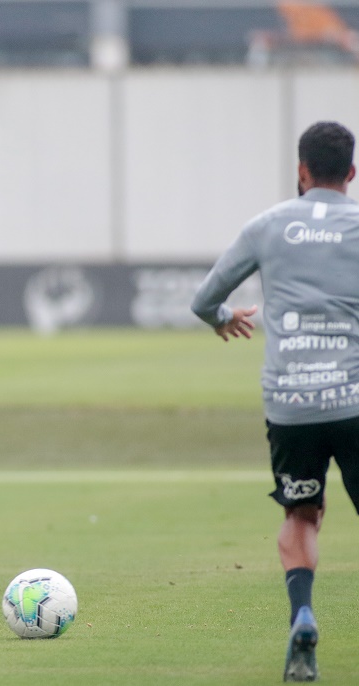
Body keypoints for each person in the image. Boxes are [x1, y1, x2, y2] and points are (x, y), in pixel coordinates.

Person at [192, 121, 359, 682]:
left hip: (291, 404)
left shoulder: (267, 226)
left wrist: (221, 319)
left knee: (301, 514)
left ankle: (304, 614)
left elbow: (205, 299)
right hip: (355, 400)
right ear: (352, 174)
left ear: (301, 171)